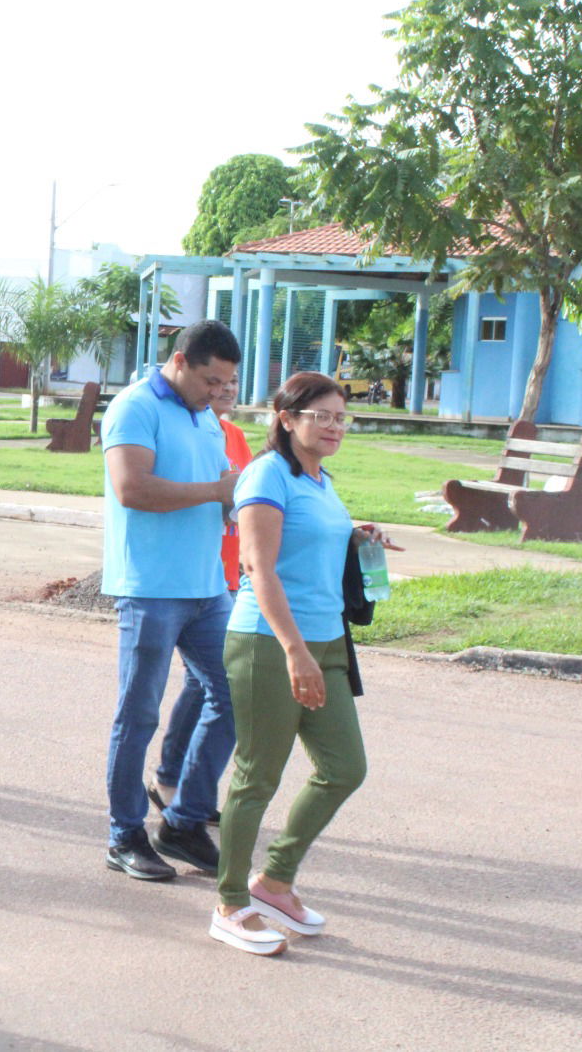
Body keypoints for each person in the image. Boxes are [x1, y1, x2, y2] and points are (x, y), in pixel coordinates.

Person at [210, 371, 396, 956]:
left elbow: (307, 541)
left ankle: (275, 880)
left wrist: (354, 534)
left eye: (343, 417)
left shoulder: (319, 478)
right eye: (323, 416)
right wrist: (294, 652)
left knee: (344, 767)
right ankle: (231, 903)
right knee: (257, 776)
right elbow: (259, 570)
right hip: (270, 643)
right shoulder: (266, 475)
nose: (336, 426)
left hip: (326, 641)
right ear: (286, 418)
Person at [100, 320, 242, 881]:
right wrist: (215, 491)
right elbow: (132, 489)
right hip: (150, 589)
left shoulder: (203, 416)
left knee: (235, 693)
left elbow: (217, 494)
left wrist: (238, 499)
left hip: (208, 587)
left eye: (226, 383)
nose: (217, 393)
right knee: (138, 714)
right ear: (180, 361)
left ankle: (182, 823)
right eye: (211, 380)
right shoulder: (135, 407)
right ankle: (123, 834)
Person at [148, 376, 252, 823]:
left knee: (213, 684)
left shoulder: (234, 436)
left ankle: (185, 791)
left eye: (233, 382)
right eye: (218, 381)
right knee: (203, 682)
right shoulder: (184, 429)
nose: (227, 389)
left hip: (228, 573)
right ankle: (172, 780)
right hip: (191, 573)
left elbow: (245, 500)